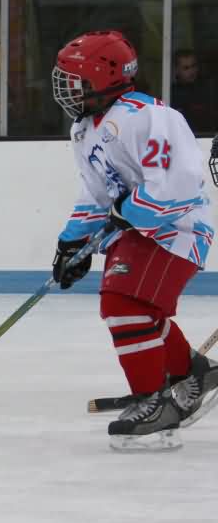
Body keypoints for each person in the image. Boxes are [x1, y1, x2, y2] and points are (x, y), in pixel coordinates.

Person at [50, 29, 217, 451]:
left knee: (122, 304)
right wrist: (71, 243)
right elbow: (96, 195)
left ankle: (153, 403)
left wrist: (128, 210)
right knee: (137, 308)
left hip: (177, 229)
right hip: (138, 231)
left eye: (75, 80)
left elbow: (178, 183)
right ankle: (193, 373)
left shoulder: (149, 117)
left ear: (102, 77)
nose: (66, 88)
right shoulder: (84, 129)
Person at [169, 48, 215, 134]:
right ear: (177, 70)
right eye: (186, 68)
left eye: (193, 66)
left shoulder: (208, 90)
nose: (191, 71)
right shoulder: (170, 94)